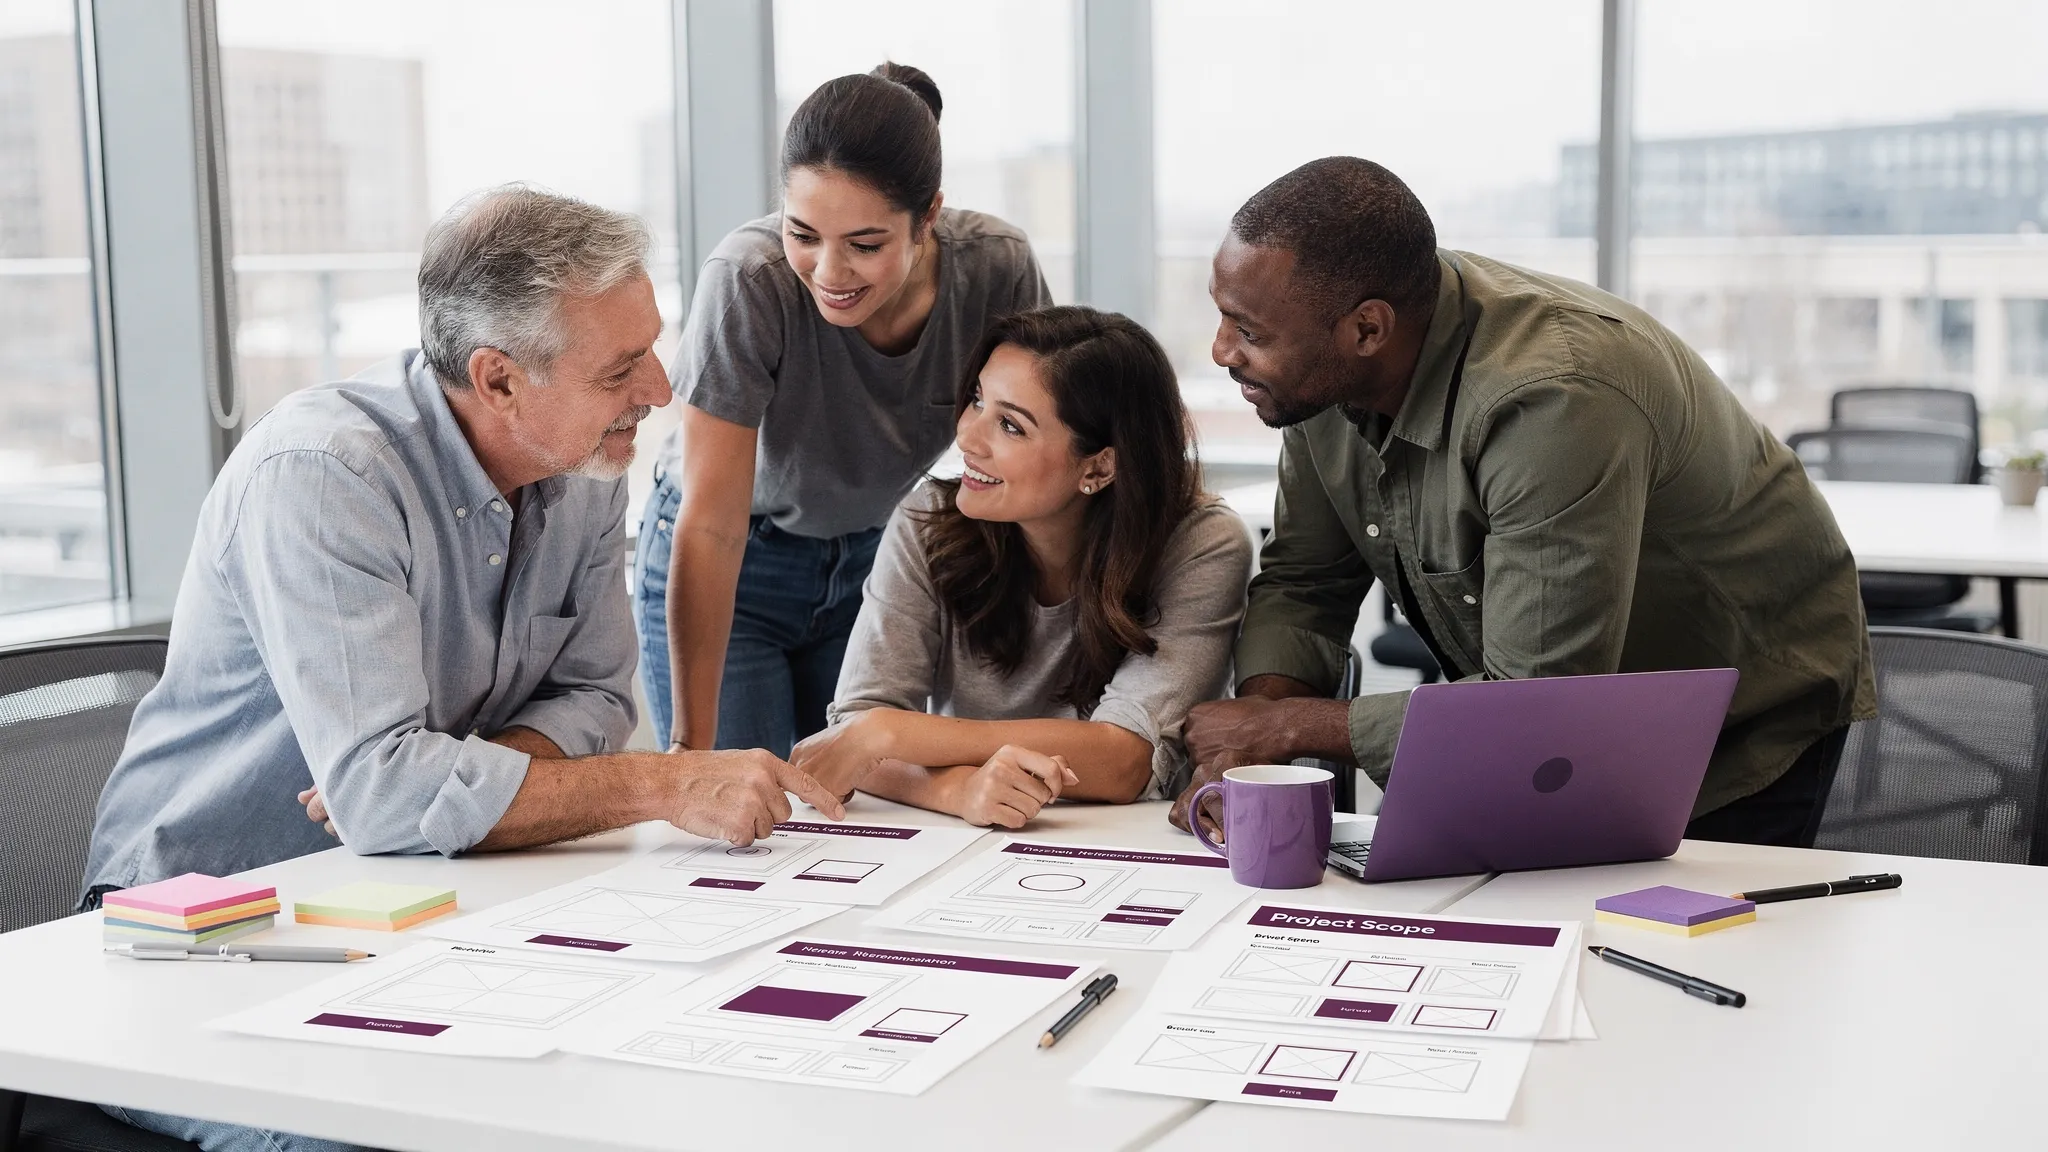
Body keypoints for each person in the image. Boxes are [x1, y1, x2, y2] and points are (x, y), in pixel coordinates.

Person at [83, 187, 842, 1152]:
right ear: (498, 380)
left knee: (657, 1073)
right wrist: (659, 781)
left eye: (652, 346)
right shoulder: (325, 477)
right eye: (620, 369)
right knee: (405, 1136)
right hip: (208, 932)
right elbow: (386, 798)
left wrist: (461, 777)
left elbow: (598, 696)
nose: (658, 387)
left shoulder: (581, 462)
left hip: (417, 905)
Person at [1171, 157, 1877, 849]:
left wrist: (1288, 727)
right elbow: (1305, 581)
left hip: (1736, 713)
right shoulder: (1319, 374)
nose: (1220, 350)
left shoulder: (1553, 398)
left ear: (1367, 330)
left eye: (1250, 332)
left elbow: (1535, 701)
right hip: (1553, 717)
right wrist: (1251, 737)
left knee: (1653, 944)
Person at [636, 63, 1052, 763]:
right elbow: (712, 524)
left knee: (856, 817)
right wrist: (689, 753)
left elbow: (1046, 432)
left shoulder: (997, 267)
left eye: (864, 245)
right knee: (740, 815)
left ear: (928, 217)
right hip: (736, 565)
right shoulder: (748, 280)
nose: (829, 273)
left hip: (871, 557)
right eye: (803, 234)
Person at [793, 306, 1252, 826]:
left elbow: (1126, 757)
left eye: (1010, 425)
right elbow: (851, 737)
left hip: (1137, 844)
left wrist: (894, 733)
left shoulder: (1203, 541)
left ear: (1100, 465)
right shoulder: (927, 521)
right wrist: (954, 790)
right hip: (967, 841)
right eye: (976, 400)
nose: (967, 437)